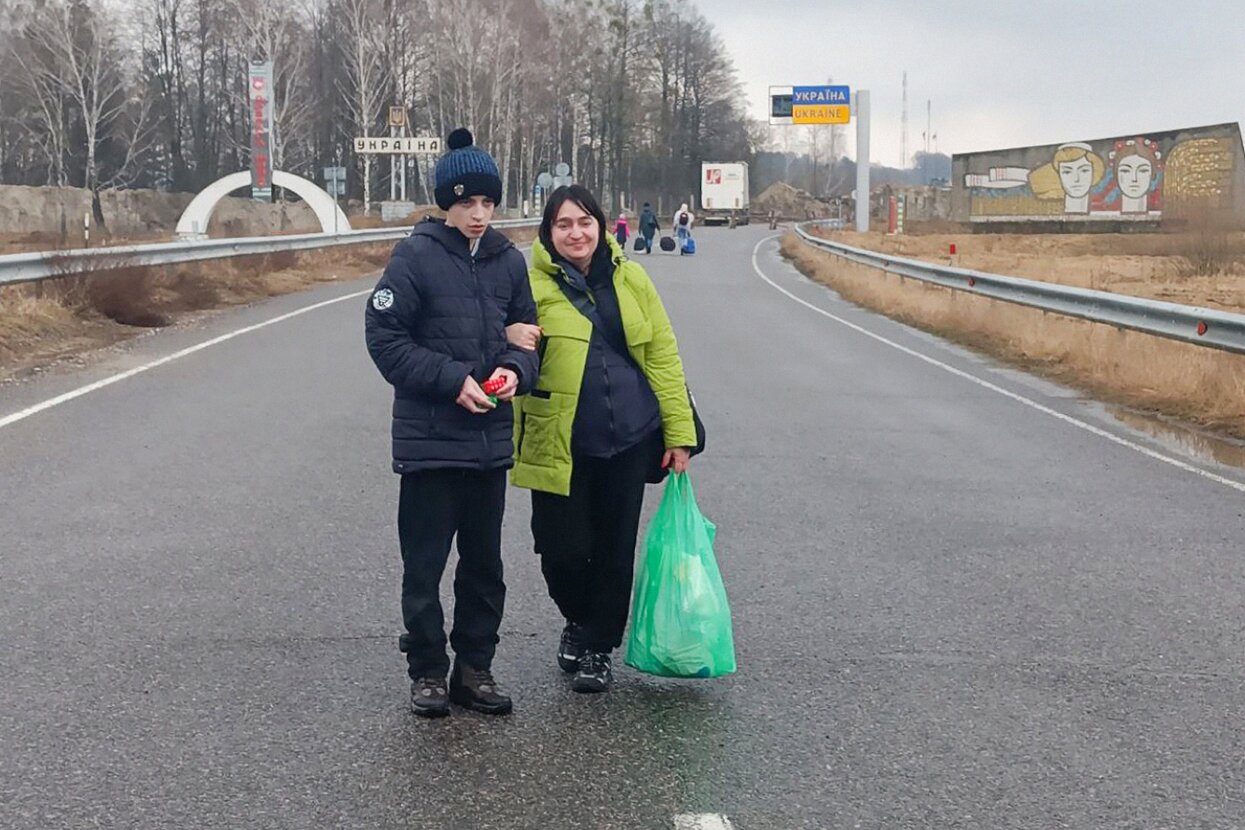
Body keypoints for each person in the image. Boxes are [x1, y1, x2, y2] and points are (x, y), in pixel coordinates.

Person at [365, 128, 540, 718]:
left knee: (485, 566)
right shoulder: (414, 256)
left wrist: (516, 368)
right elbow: (385, 339)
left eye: (488, 204)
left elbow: (529, 336)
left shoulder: (509, 261)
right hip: (430, 443)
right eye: (467, 203)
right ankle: (427, 672)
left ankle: (475, 669)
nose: (478, 215)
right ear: (447, 202)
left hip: (489, 444)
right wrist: (454, 379)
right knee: (425, 565)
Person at [504, 185, 697, 694]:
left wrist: (678, 433)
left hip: (629, 438)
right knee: (560, 549)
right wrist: (506, 340)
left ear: (603, 225)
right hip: (557, 437)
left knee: (614, 550)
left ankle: (597, 647)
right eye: (564, 224)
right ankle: (578, 617)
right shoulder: (527, 287)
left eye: (585, 222)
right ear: (548, 232)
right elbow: (497, 346)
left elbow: (662, 357)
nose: (576, 233)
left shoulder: (632, 279)